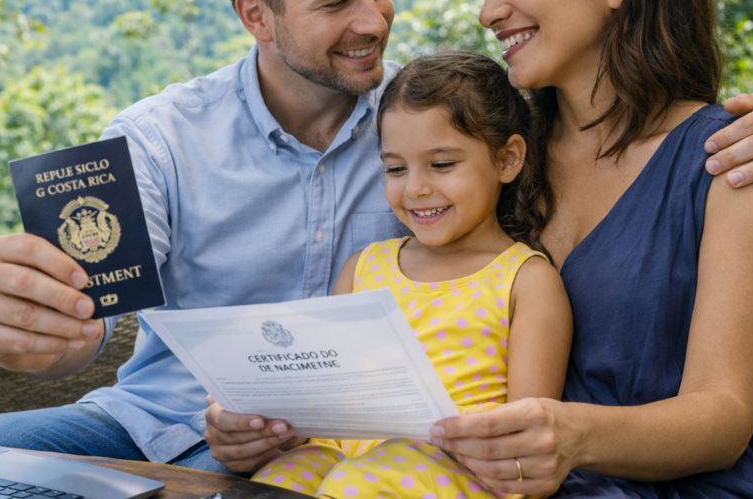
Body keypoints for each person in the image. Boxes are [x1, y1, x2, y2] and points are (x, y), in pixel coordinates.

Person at [0, 0, 753, 476]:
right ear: (254, 15)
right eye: (338, 2)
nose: (376, 21)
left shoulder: (441, 131)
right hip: (171, 421)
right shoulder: (155, 136)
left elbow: (659, 158)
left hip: (385, 453)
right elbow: (77, 299)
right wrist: (34, 320)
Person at [406, 0, 753, 498]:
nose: (489, 11)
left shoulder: (737, 162)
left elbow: (723, 419)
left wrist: (572, 435)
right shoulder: (502, 160)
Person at [210, 50, 571, 498]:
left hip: (457, 476)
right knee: (283, 477)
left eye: (442, 164)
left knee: (360, 478)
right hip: (345, 459)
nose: (415, 188)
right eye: (396, 168)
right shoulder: (363, 268)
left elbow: (525, 446)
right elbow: (320, 396)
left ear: (507, 159)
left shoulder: (525, 280)